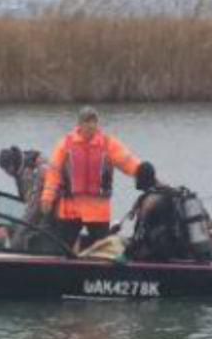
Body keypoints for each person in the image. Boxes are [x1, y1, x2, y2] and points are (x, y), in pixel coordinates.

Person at [36, 106, 142, 250]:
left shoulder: (107, 144)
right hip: (71, 210)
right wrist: (47, 198)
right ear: (79, 124)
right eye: (87, 121)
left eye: (94, 121)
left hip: (98, 211)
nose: (91, 125)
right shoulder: (65, 144)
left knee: (103, 251)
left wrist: (147, 175)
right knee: (62, 250)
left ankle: (97, 271)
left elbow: (128, 162)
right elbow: (53, 173)